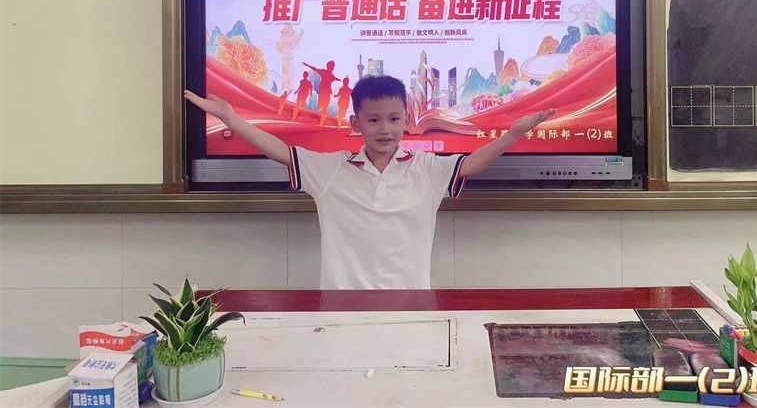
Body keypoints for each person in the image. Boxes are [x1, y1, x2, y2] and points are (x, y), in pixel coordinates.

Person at [184, 75, 553, 289]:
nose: (385, 129)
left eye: (394, 119)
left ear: (406, 120)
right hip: (341, 307)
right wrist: (232, 120)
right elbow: (282, 151)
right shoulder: (330, 170)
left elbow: (470, 165)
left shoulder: (426, 169)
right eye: (373, 120)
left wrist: (512, 135)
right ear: (355, 124)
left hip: (413, 306)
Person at [302, 60, 339, 127]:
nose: (332, 68)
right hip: (324, 92)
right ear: (330, 67)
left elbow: (335, 78)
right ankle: (319, 121)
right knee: (321, 106)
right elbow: (315, 69)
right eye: (332, 66)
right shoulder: (326, 73)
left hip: (325, 93)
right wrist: (307, 65)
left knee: (323, 107)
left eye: (332, 66)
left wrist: (339, 80)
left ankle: (321, 122)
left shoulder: (329, 74)